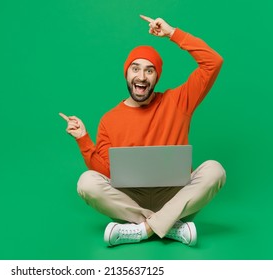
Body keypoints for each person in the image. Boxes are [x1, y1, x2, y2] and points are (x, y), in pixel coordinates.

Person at [59, 15, 226, 247]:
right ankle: (169, 226)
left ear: (157, 77)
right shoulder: (109, 119)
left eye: (149, 71)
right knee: (86, 182)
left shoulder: (178, 102)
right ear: (126, 74)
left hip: (175, 196)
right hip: (131, 199)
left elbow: (213, 62)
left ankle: (143, 230)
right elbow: (106, 172)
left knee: (215, 170)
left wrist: (172, 33)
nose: (141, 77)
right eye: (135, 69)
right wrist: (83, 140)